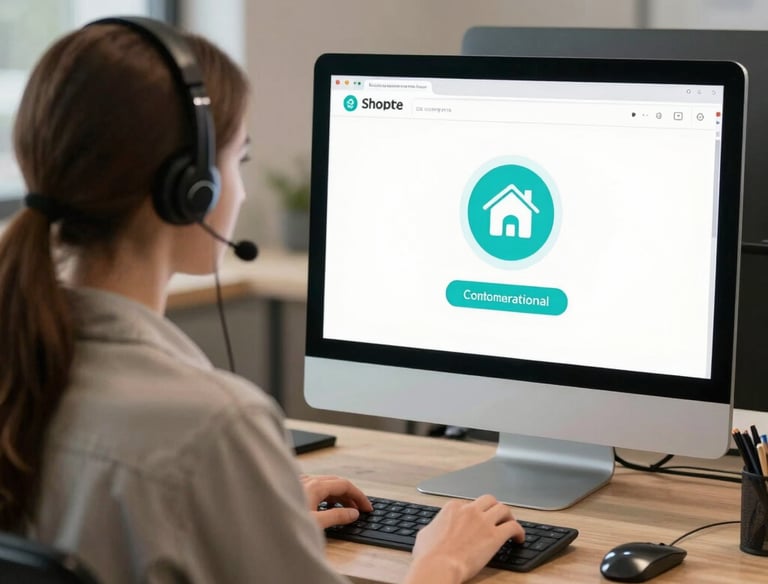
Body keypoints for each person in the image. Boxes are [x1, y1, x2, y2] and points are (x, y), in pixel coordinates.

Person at [0, 17, 524, 584]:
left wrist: (248, 517)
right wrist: (440, 564)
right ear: (190, 188)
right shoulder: (213, 428)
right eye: (238, 160)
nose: (242, 188)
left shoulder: (21, 368)